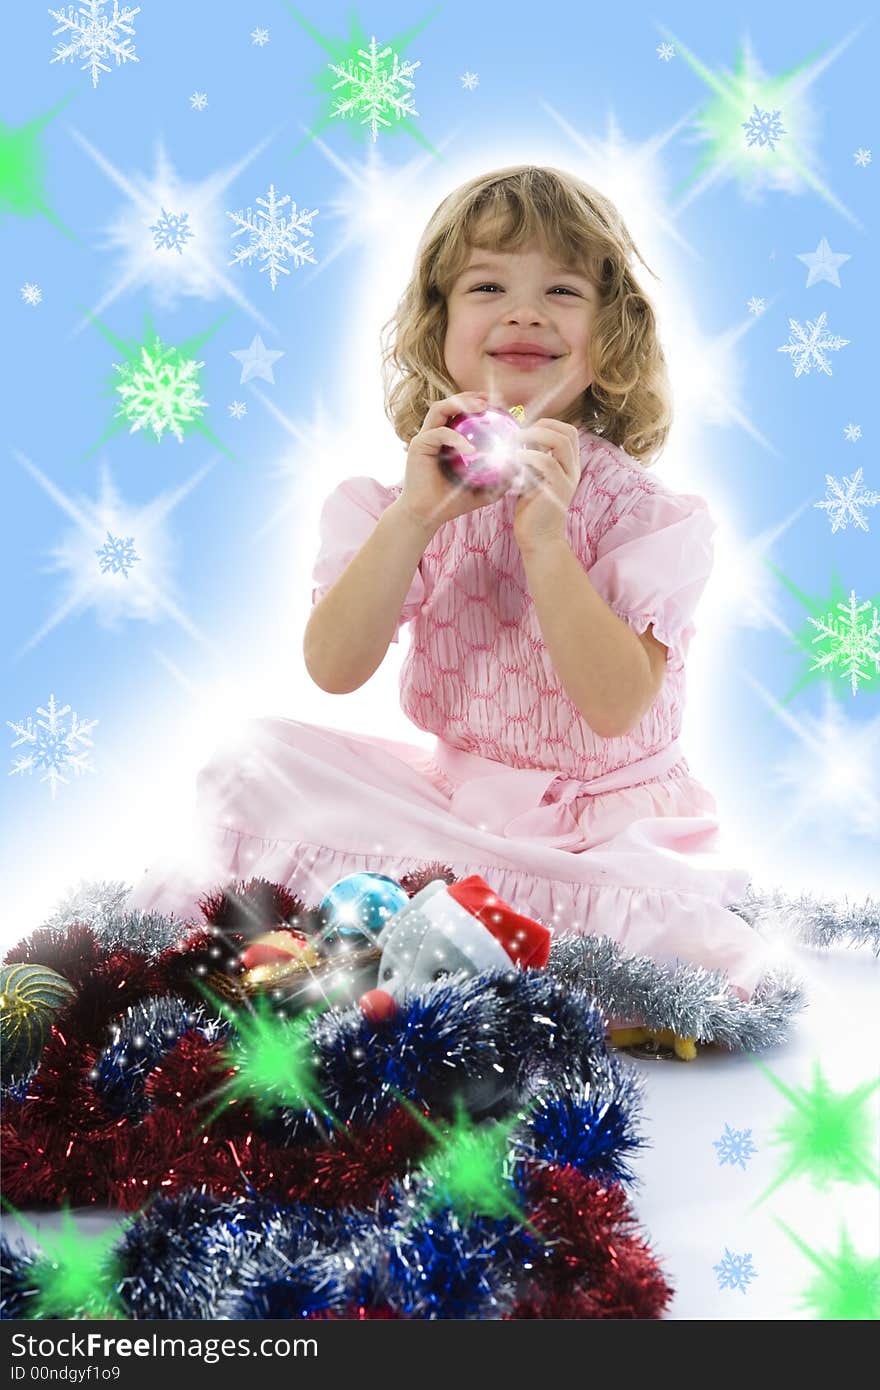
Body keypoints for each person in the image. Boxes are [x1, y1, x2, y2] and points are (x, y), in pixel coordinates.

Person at [126, 164, 769, 1047]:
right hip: (451, 801)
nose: (525, 312)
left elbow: (617, 707)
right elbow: (335, 669)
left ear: (610, 335)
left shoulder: (646, 518)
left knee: (649, 916)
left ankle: (478, 949)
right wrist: (414, 518)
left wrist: (547, 541)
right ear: (440, 325)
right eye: (488, 286)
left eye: (563, 291)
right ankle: (435, 935)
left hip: (600, 828)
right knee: (255, 757)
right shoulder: (397, 498)